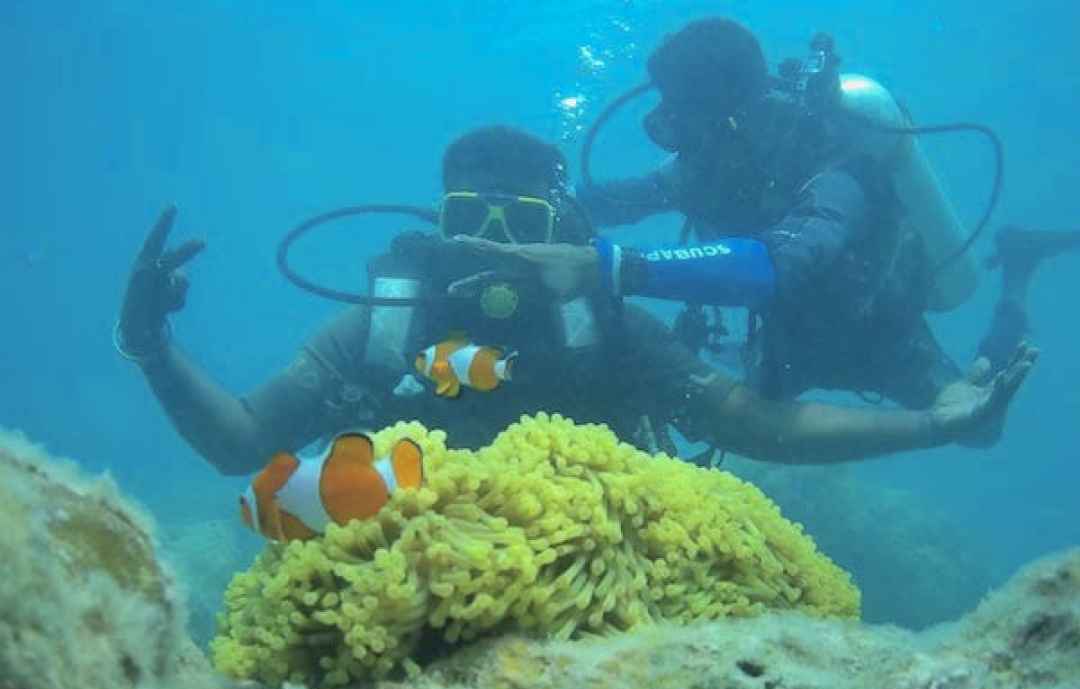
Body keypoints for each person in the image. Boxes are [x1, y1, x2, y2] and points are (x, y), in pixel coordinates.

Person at [115, 126, 1033, 476]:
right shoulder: (388, 324)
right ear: (436, 222)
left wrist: (937, 424)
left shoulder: (606, 320)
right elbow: (242, 442)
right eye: (468, 216)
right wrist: (154, 349)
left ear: (559, 223)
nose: (491, 241)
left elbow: (763, 427)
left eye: (518, 220)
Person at [458, 19, 1074, 448]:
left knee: (980, 425)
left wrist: (616, 267)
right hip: (784, 336)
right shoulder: (707, 162)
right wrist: (511, 203)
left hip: (876, 332)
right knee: (743, 428)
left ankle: (1017, 275)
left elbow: (785, 262)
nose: (666, 126)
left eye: (679, 110)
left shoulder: (837, 160)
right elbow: (619, 200)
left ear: (728, 112)